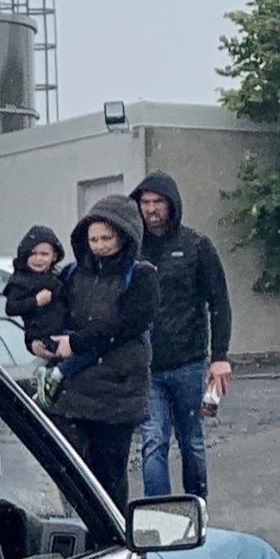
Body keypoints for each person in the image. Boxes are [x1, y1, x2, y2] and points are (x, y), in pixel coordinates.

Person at [38, 196, 158, 513]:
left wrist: (76, 343)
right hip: (73, 392)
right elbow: (49, 316)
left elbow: (126, 326)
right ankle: (83, 532)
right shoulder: (72, 275)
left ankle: (114, 537)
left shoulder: (141, 276)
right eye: (94, 239)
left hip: (117, 394)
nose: (100, 246)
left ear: (124, 236)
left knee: (110, 475)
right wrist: (38, 341)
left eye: (107, 238)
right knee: (75, 473)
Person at [132, 172, 233, 500]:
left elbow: (219, 301)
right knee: (153, 443)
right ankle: (160, 518)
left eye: (157, 202)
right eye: (144, 203)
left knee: (192, 443)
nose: (151, 209)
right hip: (146, 368)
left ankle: (197, 511)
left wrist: (219, 357)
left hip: (189, 364)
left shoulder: (196, 246)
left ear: (171, 204)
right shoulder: (132, 250)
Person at [2, 225, 94, 404]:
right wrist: (35, 301)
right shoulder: (20, 280)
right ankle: (51, 379)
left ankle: (49, 383)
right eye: (34, 253)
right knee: (83, 350)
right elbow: (11, 307)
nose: (38, 259)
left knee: (83, 347)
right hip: (43, 334)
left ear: (54, 257)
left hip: (61, 330)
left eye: (44, 254)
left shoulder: (58, 277)